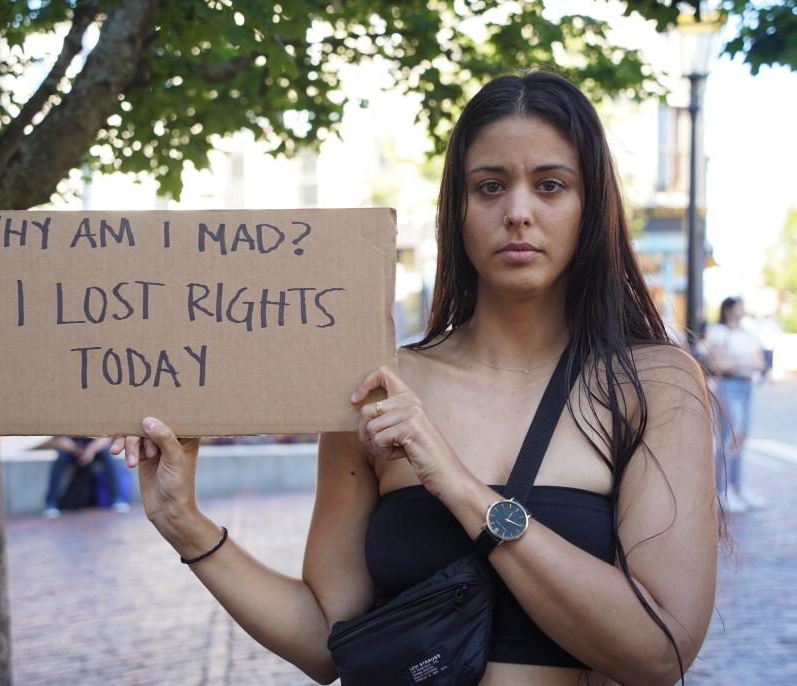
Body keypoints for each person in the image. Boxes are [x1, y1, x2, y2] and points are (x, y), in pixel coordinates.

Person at [113, 71, 719, 685]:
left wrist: (457, 486)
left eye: (551, 185)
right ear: (456, 210)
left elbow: (659, 654)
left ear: (590, 207)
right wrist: (181, 521)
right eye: (489, 187)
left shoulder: (652, 385)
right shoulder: (378, 389)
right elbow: (330, 641)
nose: (517, 213)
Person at [703, 297, 766, 513]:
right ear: (729, 309)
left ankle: (738, 488)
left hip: (746, 386)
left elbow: (761, 363)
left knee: (742, 438)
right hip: (728, 387)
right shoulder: (719, 332)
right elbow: (716, 364)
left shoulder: (748, 333)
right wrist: (744, 362)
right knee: (730, 437)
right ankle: (723, 492)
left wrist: (738, 362)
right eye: (739, 305)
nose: (743, 309)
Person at [43, 436, 130, 518]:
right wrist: (76, 449)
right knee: (60, 459)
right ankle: (51, 503)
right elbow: (58, 439)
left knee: (109, 456)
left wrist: (91, 450)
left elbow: (107, 439)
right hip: (72, 448)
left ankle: (119, 499)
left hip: (94, 448)